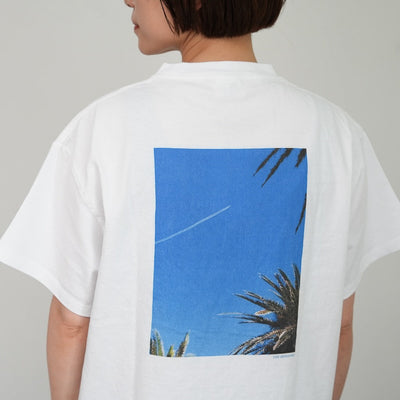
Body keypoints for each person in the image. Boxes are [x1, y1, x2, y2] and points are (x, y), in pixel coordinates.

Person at [0, 0, 399, 399]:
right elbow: (339, 324)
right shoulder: (338, 135)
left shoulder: (103, 128)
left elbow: (71, 323)